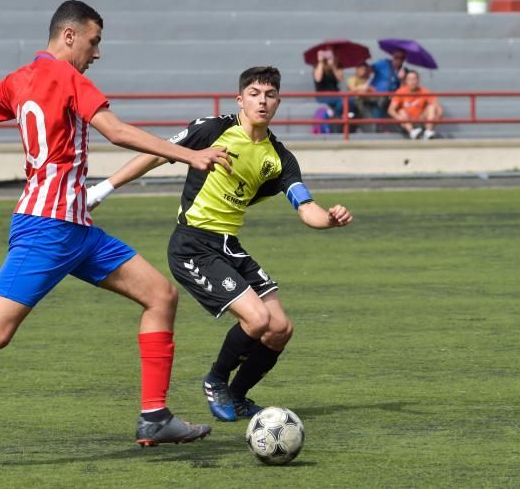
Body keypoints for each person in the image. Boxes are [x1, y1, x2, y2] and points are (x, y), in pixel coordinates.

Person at [0, 0, 233, 450]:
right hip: (48, 228)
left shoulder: (17, 81)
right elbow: (116, 131)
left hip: (76, 228)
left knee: (160, 296)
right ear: (68, 37)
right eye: (94, 42)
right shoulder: (69, 77)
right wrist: (191, 155)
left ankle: (154, 416)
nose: (97, 53)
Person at [86, 66, 353, 422]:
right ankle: (215, 380)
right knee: (257, 320)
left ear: (278, 102)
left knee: (280, 329)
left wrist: (329, 220)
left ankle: (238, 397)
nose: (262, 101)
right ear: (240, 99)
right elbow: (155, 153)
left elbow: (306, 208)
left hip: (229, 246)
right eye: (255, 94)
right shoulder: (213, 129)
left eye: (270, 95)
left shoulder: (280, 158)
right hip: (192, 244)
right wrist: (102, 190)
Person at [387, 70, 444, 140]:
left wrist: (435, 120)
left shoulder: (425, 91)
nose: (412, 82)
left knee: (431, 107)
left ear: (418, 80)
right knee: (401, 111)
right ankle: (412, 132)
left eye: (414, 79)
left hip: (421, 120)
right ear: (406, 81)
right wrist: (400, 119)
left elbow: (439, 109)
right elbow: (390, 110)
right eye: (409, 79)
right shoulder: (400, 92)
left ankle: (429, 132)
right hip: (406, 120)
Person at [313, 47, 355, 126]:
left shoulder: (337, 66)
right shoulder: (318, 66)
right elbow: (318, 79)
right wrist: (321, 62)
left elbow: (339, 79)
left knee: (350, 100)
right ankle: (336, 116)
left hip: (335, 94)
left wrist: (333, 66)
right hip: (323, 95)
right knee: (342, 102)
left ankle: (333, 114)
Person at [370, 50, 407, 120]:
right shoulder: (383, 63)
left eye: (402, 58)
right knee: (377, 118)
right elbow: (367, 71)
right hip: (377, 97)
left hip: (392, 100)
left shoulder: (405, 71)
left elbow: (405, 91)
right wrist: (368, 85)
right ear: (392, 57)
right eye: (396, 57)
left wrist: (402, 80)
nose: (399, 60)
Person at [345, 61, 380, 131]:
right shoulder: (352, 79)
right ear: (356, 69)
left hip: (366, 104)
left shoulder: (368, 81)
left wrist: (366, 88)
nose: (363, 71)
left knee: (372, 124)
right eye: (361, 68)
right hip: (354, 105)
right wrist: (363, 88)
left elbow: (374, 91)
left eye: (364, 69)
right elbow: (352, 89)